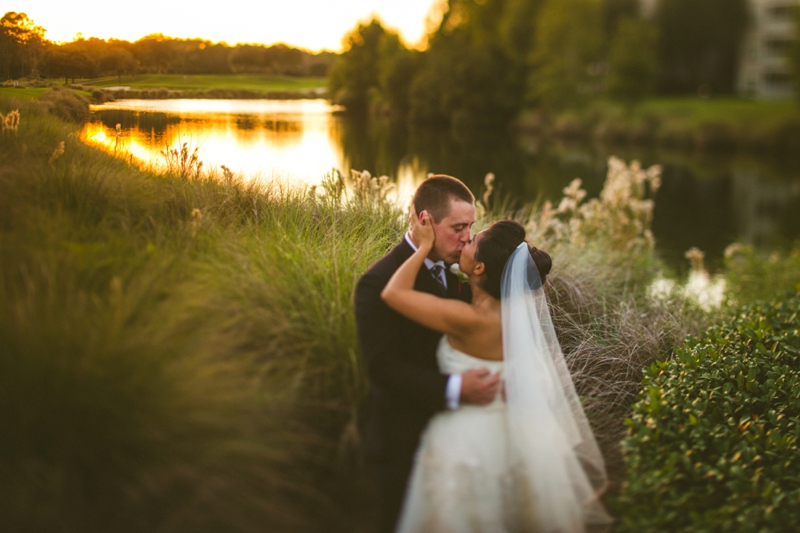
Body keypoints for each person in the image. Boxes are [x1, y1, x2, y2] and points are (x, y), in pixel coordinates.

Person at [381, 212, 611, 532]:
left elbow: (393, 294)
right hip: (511, 437)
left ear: (479, 268)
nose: (467, 239)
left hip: (465, 440)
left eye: (473, 240)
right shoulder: (515, 317)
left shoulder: (469, 320)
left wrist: (421, 247)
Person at [354, 176, 502, 533]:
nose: (467, 238)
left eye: (471, 227)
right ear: (425, 222)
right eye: (458, 228)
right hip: (400, 438)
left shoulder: (462, 272)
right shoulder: (378, 282)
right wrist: (455, 388)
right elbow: (383, 369)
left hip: (460, 438)